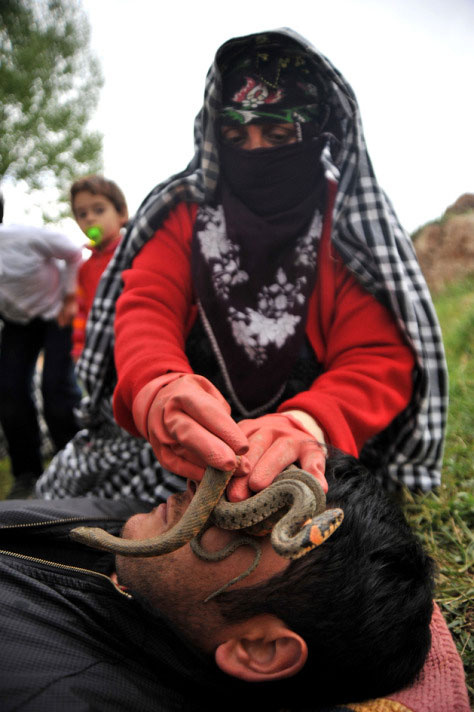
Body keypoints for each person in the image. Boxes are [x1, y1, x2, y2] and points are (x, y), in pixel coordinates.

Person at [36, 29, 448, 504]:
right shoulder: (184, 215)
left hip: (311, 454)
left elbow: (375, 355)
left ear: (317, 135)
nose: (255, 152)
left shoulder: (346, 230)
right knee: (62, 505)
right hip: (181, 453)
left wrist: (305, 424)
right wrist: (159, 389)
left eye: (277, 135)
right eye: (236, 136)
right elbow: (147, 305)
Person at [1, 453, 469, 711]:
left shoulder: (44, 689)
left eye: (248, 523)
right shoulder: (148, 539)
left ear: (260, 648)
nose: (196, 489)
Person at [0, 190, 82, 498]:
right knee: (9, 390)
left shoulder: (24, 237)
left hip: (55, 312)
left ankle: (73, 462)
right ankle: (27, 473)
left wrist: (71, 296)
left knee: (55, 388)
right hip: (17, 322)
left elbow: (74, 252)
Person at [70, 175, 129, 360]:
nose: (90, 219)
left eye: (99, 210)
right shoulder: (84, 268)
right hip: (100, 351)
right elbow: (81, 311)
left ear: (122, 214)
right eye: (82, 214)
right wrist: (79, 346)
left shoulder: (132, 255)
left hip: (130, 344)